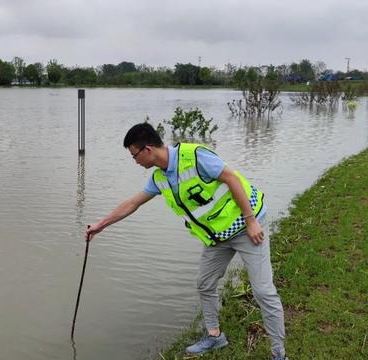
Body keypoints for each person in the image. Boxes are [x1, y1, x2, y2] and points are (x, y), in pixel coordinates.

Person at [85, 123, 287, 360]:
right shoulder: (160, 178)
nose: (135, 161)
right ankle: (214, 337)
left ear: (147, 149)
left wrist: (251, 220)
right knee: (205, 284)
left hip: (247, 226)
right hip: (217, 237)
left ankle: (278, 354)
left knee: (263, 291)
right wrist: (101, 225)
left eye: (134, 155)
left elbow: (231, 178)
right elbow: (133, 203)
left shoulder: (195, 156)